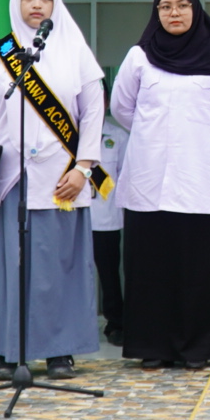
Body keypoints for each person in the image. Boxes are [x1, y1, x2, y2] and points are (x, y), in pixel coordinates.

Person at [0, 0, 103, 381]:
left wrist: (83, 167)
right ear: (16, 3)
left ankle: (60, 351)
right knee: (5, 266)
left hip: (62, 179)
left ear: (56, 3)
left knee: (60, 266)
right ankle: (5, 351)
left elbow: (93, 114)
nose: (36, 5)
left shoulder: (76, 51)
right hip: (8, 179)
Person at [113, 0, 210, 370]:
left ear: (195, 9)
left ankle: (201, 348)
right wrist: (155, 135)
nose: (174, 13)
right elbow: (121, 108)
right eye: (165, 7)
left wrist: (205, 135)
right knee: (151, 268)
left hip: (200, 177)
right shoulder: (139, 58)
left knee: (200, 268)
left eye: (181, 5)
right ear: (156, 12)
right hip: (149, 177)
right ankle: (154, 347)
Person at [91, 119, 129, 346]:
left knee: (109, 274)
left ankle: (116, 323)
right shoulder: (66, 131)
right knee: (68, 273)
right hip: (70, 215)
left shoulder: (118, 136)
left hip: (106, 217)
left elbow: (126, 177)